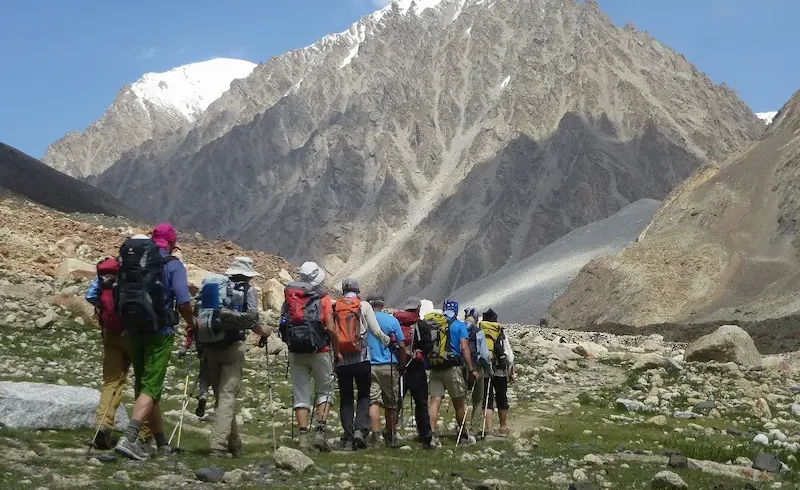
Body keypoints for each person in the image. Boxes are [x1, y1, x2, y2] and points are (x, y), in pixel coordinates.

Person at [114, 225, 195, 460]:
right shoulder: (172, 264)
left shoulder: (136, 260)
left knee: (146, 386)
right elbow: (182, 301)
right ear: (171, 243)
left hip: (133, 330)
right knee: (151, 386)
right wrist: (192, 322)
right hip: (161, 331)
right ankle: (129, 438)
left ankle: (162, 445)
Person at [202, 257, 271, 458]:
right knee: (227, 397)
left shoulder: (216, 287)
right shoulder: (248, 291)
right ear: (248, 275)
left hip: (210, 346)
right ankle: (218, 446)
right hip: (233, 347)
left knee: (221, 397)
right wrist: (263, 332)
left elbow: (206, 316)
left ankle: (234, 443)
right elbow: (251, 319)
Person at [85, 258, 150, 450]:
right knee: (143, 382)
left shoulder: (105, 274)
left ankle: (102, 425)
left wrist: (104, 308)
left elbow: (90, 295)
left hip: (110, 333)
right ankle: (143, 434)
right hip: (134, 335)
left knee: (112, 382)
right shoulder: (134, 273)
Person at [281, 262, 342, 451]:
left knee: (301, 394)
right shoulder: (323, 298)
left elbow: (284, 323)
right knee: (324, 391)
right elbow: (331, 327)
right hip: (320, 351)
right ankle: (320, 433)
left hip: (296, 351)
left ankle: (302, 437)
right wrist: (337, 350)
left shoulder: (290, 297)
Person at [332, 278, 391, 451]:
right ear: (358, 290)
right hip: (362, 358)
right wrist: (387, 341)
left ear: (342, 290)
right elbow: (375, 330)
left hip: (341, 359)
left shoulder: (336, 306)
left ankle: (348, 437)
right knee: (364, 395)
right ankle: (360, 430)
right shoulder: (363, 305)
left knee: (346, 398)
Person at [428, 299, 478, 446]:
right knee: (459, 402)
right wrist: (471, 368)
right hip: (452, 368)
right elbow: (464, 347)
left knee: (435, 402)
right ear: (456, 311)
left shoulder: (436, 324)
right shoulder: (459, 326)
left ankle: (431, 435)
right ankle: (463, 435)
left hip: (436, 367)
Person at [392, 298, 435, 449]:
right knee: (421, 404)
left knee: (396, 402)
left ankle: (391, 434)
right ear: (418, 308)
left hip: (398, 366)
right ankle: (425, 438)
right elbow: (428, 347)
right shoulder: (421, 324)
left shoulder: (396, 322)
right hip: (416, 367)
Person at [366, 296, 406, 448]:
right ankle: (391, 435)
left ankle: (376, 437)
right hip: (388, 365)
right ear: (382, 304)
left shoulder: (364, 319)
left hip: (369, 365)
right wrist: (402, 365)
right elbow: (401, 344)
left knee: (373, 401)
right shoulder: (391, 320)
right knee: (391, 403)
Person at [481, 309, 514, 436]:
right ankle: (503, 427)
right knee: (501, 398)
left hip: (485, 370)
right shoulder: (500, 332)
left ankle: (488, 429)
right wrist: (510, 370)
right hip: (500, 371)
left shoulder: (481, 331)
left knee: (487, 400)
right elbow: (509, 354)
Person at [464, 307, 492, 435]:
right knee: (478, 399)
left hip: (461, 367)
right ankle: (474, 429)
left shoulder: (460, 329)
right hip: (476, 368)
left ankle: (461, 427)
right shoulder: (478, 332)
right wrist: (488, 369)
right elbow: (485, 354)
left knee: (461, 398)